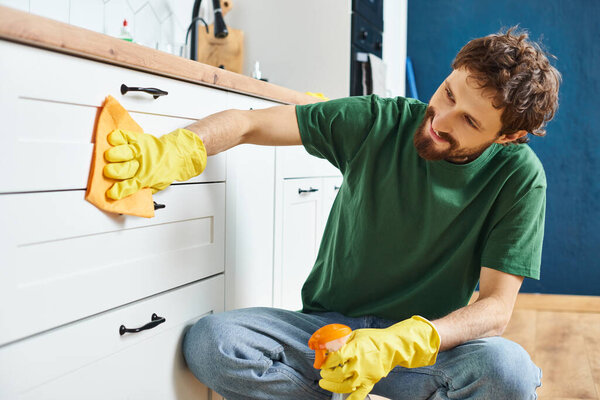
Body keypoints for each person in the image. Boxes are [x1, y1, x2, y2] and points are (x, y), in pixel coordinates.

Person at [102, 27, 561, 399]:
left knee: (509, 373)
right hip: (328, 334)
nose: (442, 120)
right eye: (448, 94)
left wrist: (398, 343)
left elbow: (496, 308)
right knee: (213, 342)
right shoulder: (381, 122)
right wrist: (174, 150)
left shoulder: (519, 177)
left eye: (470, 122)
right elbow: (249, 122)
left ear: (505, 138)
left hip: (416, 351)